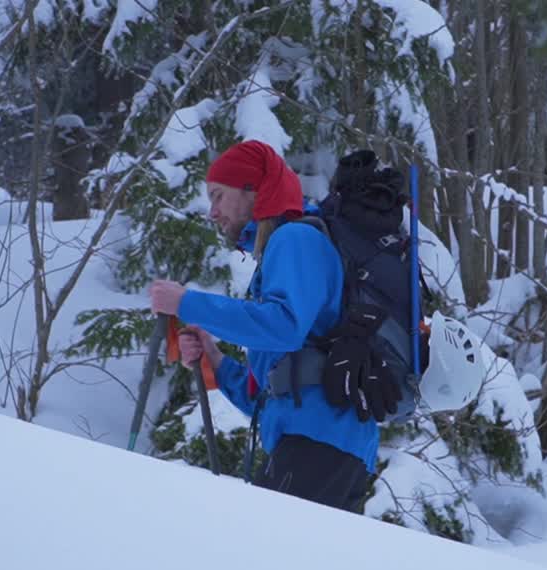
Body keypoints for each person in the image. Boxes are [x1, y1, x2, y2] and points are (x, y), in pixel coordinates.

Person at [148, 140, 377, 513]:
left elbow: (284, 326)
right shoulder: (284, 250)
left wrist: (187, 303)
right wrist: (216, 361)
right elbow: (274, 391)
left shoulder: (296, 238)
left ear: (253, 189)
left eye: (219, 196)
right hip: (321, 444)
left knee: (264, 565)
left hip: (317, 444)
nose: (213, 212)